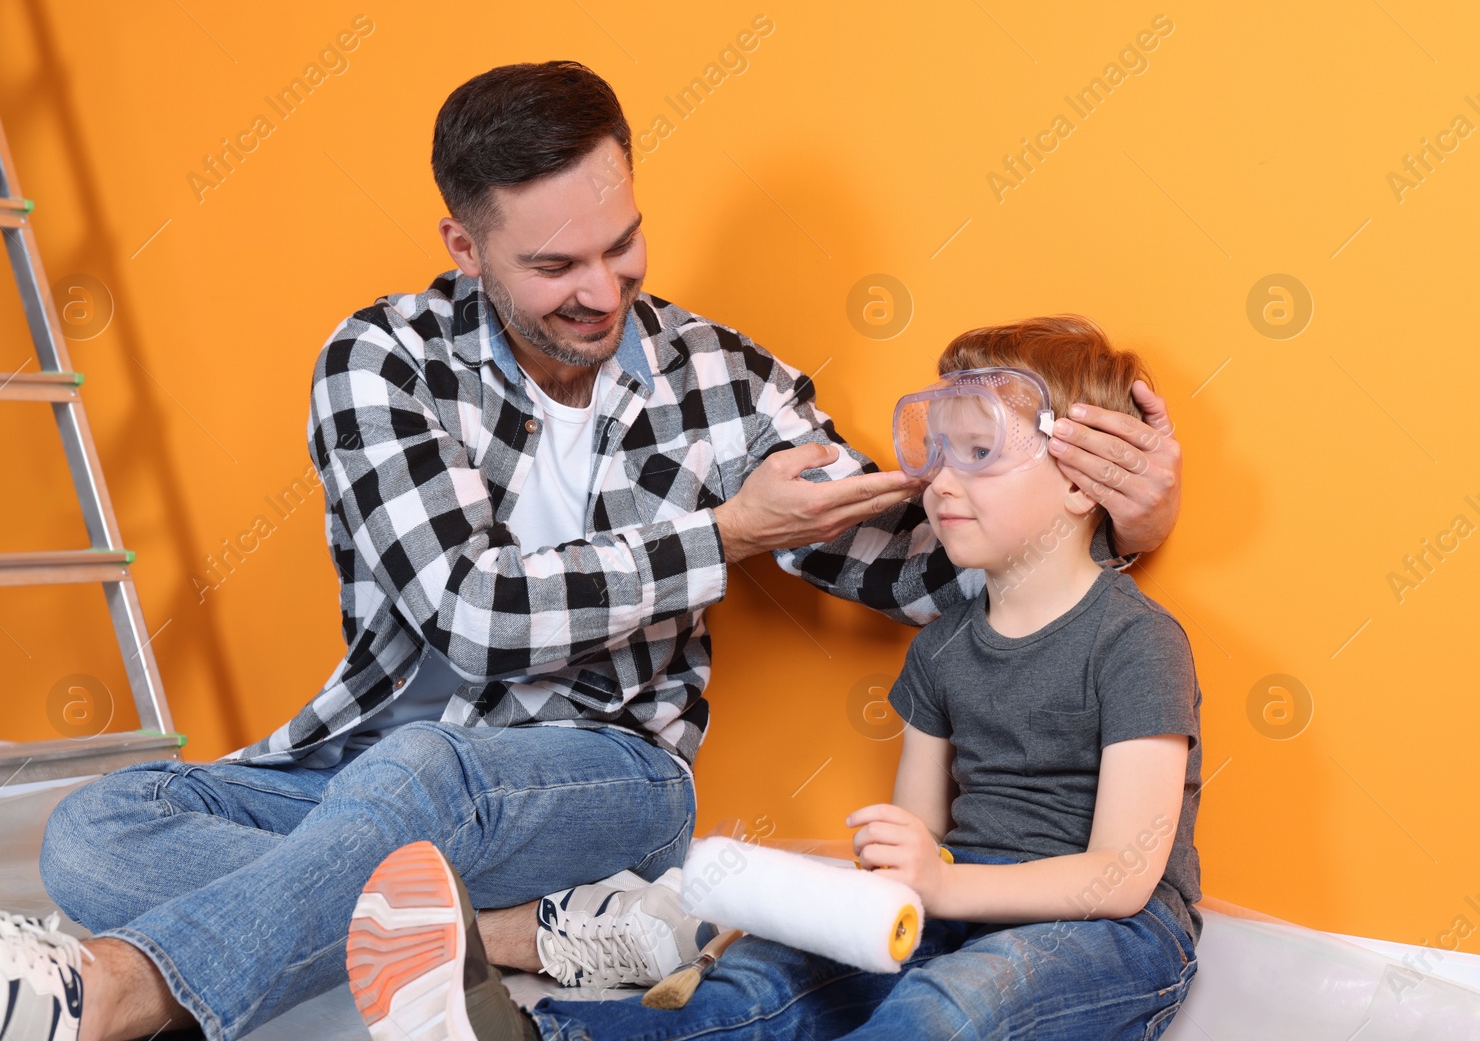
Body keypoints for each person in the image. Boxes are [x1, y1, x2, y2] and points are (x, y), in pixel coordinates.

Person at [0, 60, 1182, 1041]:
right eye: (557, 263)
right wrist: (721, 533)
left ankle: (100, 993)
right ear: (466, 245)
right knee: (105, 821)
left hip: (610, 780)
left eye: (623, 245)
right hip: (370, 763)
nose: (604, 291)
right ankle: (524, 940)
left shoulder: (729, 384)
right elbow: (470, 615)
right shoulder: (383, 361)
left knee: (415, 773)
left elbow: (935, 562)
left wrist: (1119, 512)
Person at [355, 315, 1202, 1041]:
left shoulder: (1134, 641)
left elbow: (1121, 875)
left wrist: (942, 882)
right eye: (938, 452)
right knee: (766, 983)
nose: (940, 481)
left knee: (948, 1005)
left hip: (1112, 931)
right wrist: (853, 902)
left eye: (978, 452)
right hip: (959, 893)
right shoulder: (942, 649)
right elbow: (914, 837)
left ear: (1084, 482)